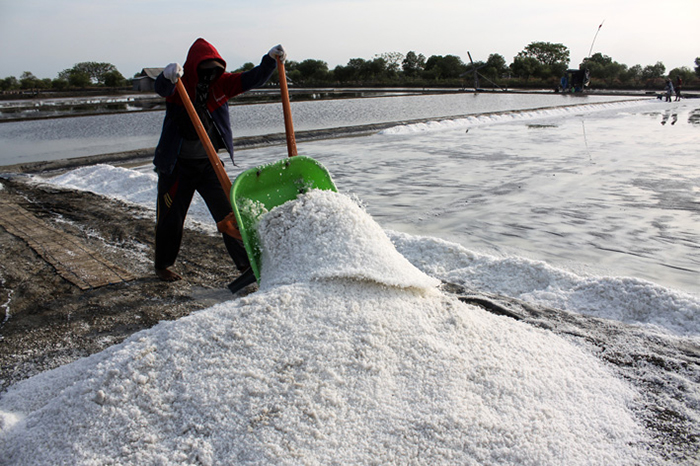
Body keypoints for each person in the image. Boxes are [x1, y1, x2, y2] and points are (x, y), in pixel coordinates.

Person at [153, 38, 286, 281]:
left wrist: (269, 61)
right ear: (194, 68)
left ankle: (246, 266)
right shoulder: (179, 85)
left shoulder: (223, 84)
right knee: (170, 218)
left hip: (209, 165)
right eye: (204, 71)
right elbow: (162, 89)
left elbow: (251, 79)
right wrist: (166, 76)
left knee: (231, 215)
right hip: (176, 166)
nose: (209, 76)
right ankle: (162, 265)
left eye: (214, 70)